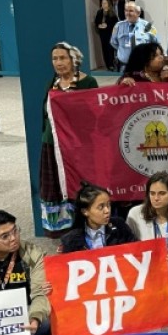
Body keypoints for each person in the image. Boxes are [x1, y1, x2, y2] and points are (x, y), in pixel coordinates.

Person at [39, 43, 98, 238]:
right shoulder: (52, 83)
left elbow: (92, 116)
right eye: (55, 59)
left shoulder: (87, 83)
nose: (58, 62)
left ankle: (83, 228)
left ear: (74, 60)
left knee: (77, 186)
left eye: (63, 58)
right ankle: (62, 230)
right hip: (52, 144)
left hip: (76, 147)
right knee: (56, 185)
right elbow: (45, 115)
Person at [125, 172, 168, 268]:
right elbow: (127, 247)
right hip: (145, 268)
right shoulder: (135, 213)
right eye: (152, 193)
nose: (156, 198)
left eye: (162, 193)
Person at [60, 181, 137, 253]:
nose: (107, 210)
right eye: (101, 207)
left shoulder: (120, 226)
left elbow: (136, 250)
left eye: (108, 205)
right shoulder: (71, 240)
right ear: (85, 212)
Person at [110, 1, 157, 71]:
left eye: (131, 11)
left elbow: (156, 44)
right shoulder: (118, 26)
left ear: (138, 13)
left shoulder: (149, 27)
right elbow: (114, 43)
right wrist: (124, 52)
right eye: (126, 10)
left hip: (143, 67)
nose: (127, 13)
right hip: (124, 66)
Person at [94, 0, 117, 70]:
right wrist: (99, 25)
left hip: (110, 33)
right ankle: (107, 65)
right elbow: (96, 21)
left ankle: (111, 64)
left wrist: (107, 26)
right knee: (104, 48)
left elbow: (115, 24)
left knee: (110, 48)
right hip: (102, 33)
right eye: (102, 3)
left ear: (108, 4)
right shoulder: (99, 12)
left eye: (105, 3)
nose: (103, 5)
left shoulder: (112, 13)